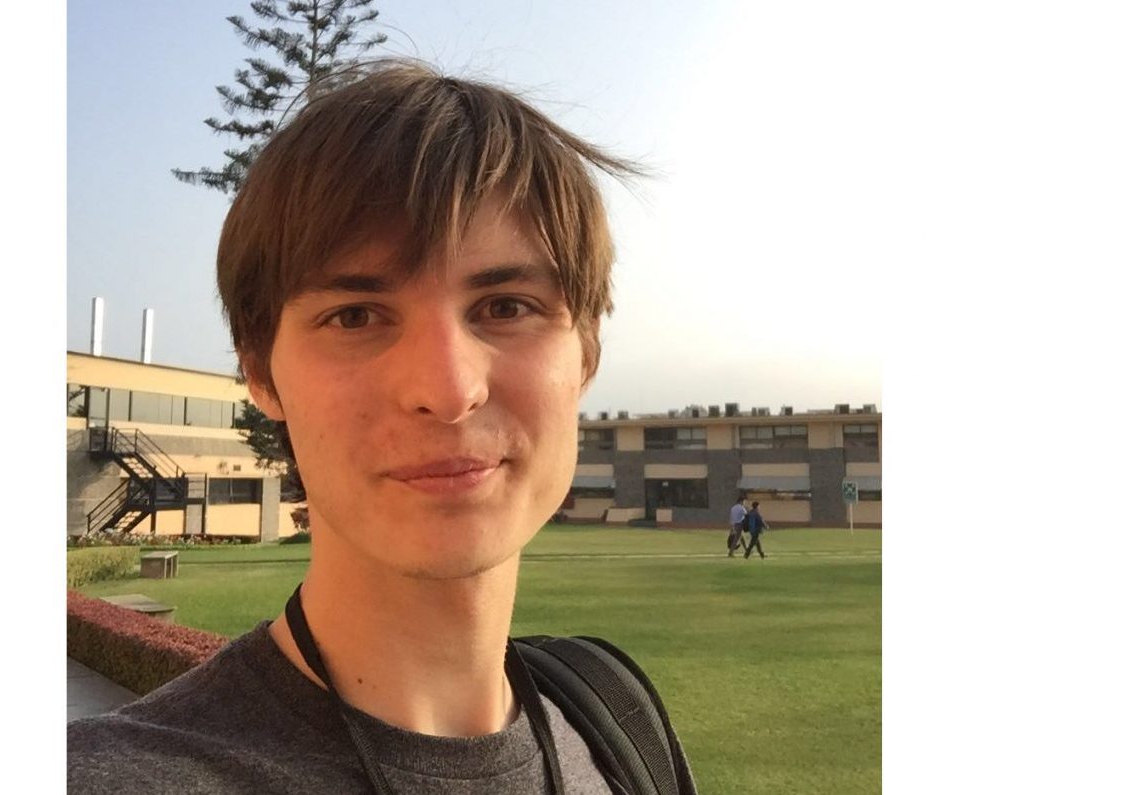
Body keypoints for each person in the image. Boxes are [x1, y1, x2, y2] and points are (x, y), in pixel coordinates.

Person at [68, 62, 692, 794]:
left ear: (586, 350)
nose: (449, 389)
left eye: (505, 306)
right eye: (356, 316)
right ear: (261, 374)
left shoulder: (614, 723)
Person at [727, 492, 748, 557]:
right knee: (736, 539)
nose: (744, 503)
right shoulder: (741, 508)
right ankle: (731, 552)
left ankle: (747, 550)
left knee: (741, 537)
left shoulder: (733, 508)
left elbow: (731, 517)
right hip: (740, 524)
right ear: (741, 501)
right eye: (744, 501)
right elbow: (746, 515)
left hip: (735, 524)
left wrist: (731, 527)